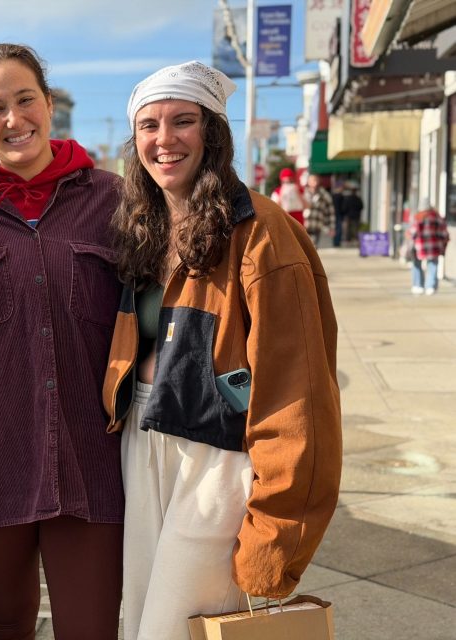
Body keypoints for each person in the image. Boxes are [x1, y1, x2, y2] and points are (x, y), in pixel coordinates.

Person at [103, 61, 342, 640]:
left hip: (217, 455)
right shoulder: (145, 227)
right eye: (149, 126)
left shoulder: (262, 232)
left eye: (182, 121)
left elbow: (299, 395)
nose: (164, 139)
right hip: (144, 436)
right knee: (142, 621)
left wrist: (275, 537)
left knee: (180, 627)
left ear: (212, 131)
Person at [0, 43, 124, 639]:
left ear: (49, 103)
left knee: (89, 629)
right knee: (4, 625)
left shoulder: (114, 200)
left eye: (25, 99)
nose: (14, 119)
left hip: (93, 456)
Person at [410, 197, 449, 295]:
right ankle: (430, 287)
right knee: (432, 265)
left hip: (420, 246)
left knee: (417, 264)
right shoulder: (437, 217)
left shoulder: (418, 217)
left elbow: (413, 232)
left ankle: (418, 285)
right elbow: (444, 233)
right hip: (434, 246)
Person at [303, 173, 335, 247]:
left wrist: (331, 227)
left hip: (317, 225)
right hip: (304, 224)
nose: (314, 182)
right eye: (312, 180)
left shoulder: (323, 194)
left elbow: (330, 211)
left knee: (313, 247)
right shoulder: (303, 193)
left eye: (316, 180)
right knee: (303, 247)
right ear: (308, 181)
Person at [331, 180, 345, 247]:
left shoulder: (333, 196)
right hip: (338, 214)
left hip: (334, 214)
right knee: (338, 229)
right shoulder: (340, 196)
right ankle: (337, 242)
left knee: (335, 228)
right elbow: (343, 207)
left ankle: (335, 241)